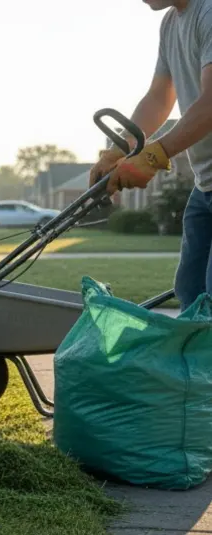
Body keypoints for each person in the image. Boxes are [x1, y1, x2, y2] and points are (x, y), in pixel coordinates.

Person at [91, 0, 212, 307]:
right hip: (205, 186)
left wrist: (152, 156)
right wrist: (119, 150)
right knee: (191, 292)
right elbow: (159, 97)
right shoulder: (171, 24)